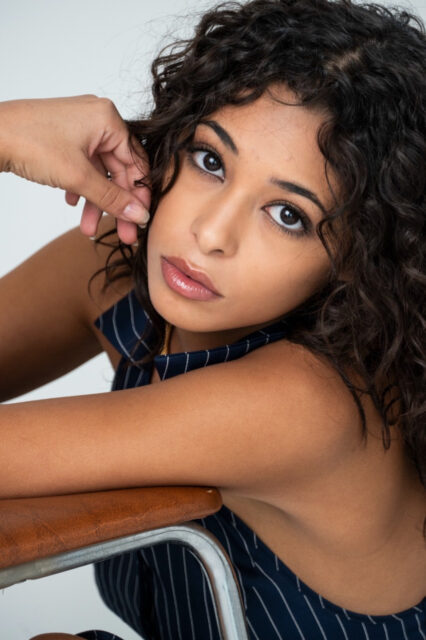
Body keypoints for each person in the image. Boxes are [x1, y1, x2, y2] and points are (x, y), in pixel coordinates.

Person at [0, 0, 424, 638]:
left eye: (289, 215)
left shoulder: (303, 403)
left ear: (355, 261)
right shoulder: (120, 267)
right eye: (210, 161)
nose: (210, 233)